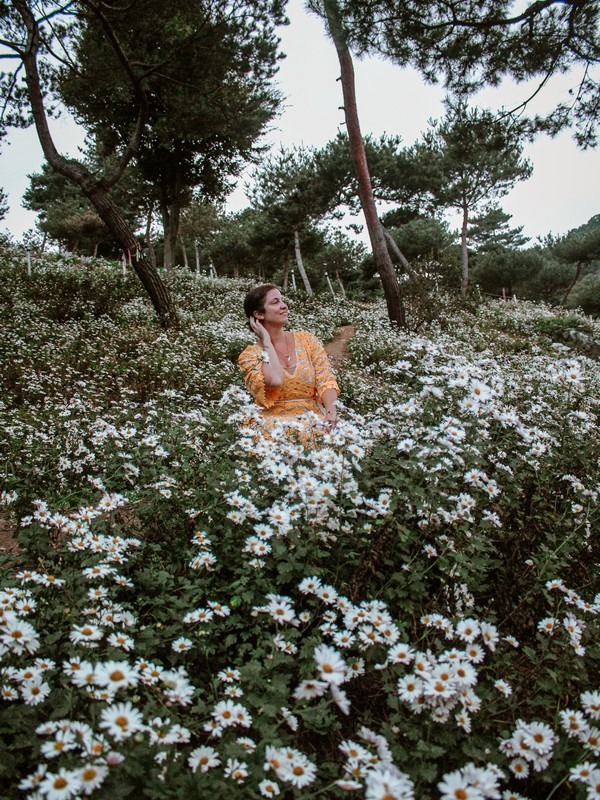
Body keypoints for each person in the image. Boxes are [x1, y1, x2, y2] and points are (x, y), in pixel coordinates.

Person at [238, 284, 340, 436]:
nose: (284, 306)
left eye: (282, 301)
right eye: (275, 302)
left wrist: (331, 409)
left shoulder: (308, 340)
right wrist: (266, 341)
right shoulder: (250, 355)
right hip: (272, 427)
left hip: (313, 419)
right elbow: (275, 380)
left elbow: (325, 380)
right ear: (259, 314)